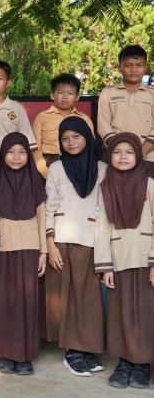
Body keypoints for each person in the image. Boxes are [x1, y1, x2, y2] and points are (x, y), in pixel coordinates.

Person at [44, 117, 106, 377]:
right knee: (66, 297)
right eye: (65, 139)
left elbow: (105, 207)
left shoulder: (102, 167)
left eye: (76, 137)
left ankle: (87, 348)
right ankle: (72, 352)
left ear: (87, 137)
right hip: (62, 240)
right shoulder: (57, 168)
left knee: (88, 299)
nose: (71, 143)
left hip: (91, 239)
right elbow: (49, 206)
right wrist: (50, 244)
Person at [95, 132, 154, 389]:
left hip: (145, 258)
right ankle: (124, 362)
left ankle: (142, 364)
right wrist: (104, 265)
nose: (123, 157)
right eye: (117, 152)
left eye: (129, 152)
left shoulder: (150, 184)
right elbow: (101, 228)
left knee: (144, 312)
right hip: (118, 259)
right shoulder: (105, 186)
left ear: (139, 155)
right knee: (119, 312)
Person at [0, 132, 47, 376]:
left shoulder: (36, 180)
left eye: (22, 152)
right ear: (2, 155)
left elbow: (43, 218)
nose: (16, 157)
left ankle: (25, 356)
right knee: (4, 302)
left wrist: (44, 251)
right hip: (3, 248)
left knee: (27, 301)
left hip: (31, 247)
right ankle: (6, 353)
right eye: (10, 152)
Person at [97, 45, 154, 177]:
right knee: (117, 195)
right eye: (128, 65)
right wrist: (121, 151)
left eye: (139, 65)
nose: (134, 69)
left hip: (148, 156)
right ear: (119, 67)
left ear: (145, 67)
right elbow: (102, 124)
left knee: (146, 195)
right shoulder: (108, 93)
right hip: (116, 157)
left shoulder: (152, 94)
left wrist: (141, 151)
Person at [33, 73, 93, 175]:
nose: (65, 97)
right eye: (60, 93)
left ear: (77, 97)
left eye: (70, 93)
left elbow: (90, 147)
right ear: (52, 95)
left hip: (77, 163)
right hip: (48, 163)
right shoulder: (42, 117)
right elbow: (35, 148)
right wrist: (45, 172)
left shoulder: (84, 119)